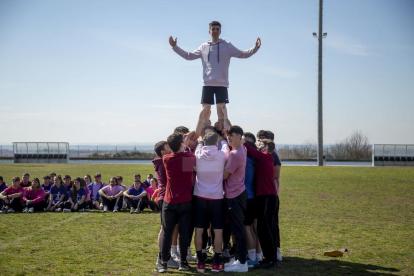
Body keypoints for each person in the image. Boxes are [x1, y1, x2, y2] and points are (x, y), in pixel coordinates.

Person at [169, 21, 261, 129]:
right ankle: (205, 134)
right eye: (213, 29)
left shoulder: (227, 45)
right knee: (205, 111)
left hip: (222, 84)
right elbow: (188, 56)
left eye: (217, 29)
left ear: (220, 31)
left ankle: (222, 134)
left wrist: (255, 48)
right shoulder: (204, 46)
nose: (215, 31)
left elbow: (244, 54)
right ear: (209, 31)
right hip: (207, 83)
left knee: (221, 112)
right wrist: (175, 47)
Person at [193, 131, 230, 272]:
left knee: (199, 230)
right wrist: (223, 140)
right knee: (218, 231)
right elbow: (226, 148)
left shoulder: (198, 153)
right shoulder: (221, 155)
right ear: (216, 143)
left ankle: (200, 262)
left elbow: (198, 145)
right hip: (217, 198)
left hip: (200, 197)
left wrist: (201, 141)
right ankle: (216, 261)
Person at [158, 133, 195, 273]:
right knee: (184, 233)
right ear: (181, 144)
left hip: (169, 201)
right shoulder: (189, 157)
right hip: (185, 201)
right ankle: (183, 262)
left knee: (167, 233)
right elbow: (187, 161)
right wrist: (186, 146)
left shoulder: (166, 158)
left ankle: (163, 263)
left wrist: (182, 143)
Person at [243, 138, 278, 269]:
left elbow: (250, 149)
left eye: (260, 144)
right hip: (265, 197)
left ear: (266, 148)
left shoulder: (265, 156)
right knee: (263, 229)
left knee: (266, 228)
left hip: (267, 197)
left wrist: (242, 140)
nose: (258, 146)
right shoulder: (264, 158)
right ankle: (268, 258)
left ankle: (271, 260)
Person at [221, 125, 249, 273]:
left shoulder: (235, 154)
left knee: (238, 230)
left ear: (238, 136)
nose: (228, 138)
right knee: (237, 229)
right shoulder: (242, 148)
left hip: (234, 196)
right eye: (227, 136)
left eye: (231, 136)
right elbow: (242, 140)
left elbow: (225, 175)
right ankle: (238, 258)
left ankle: (242, 262)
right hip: (239, 193)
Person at [153, 141, 180, 272]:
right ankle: (162, 258)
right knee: (165, 230)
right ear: (163, 152)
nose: (171, 148)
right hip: (165, 198)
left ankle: (164, 256)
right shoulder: (164, 163)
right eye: (168, 147)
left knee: (165, 229)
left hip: (163, 197)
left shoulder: (160, 162)